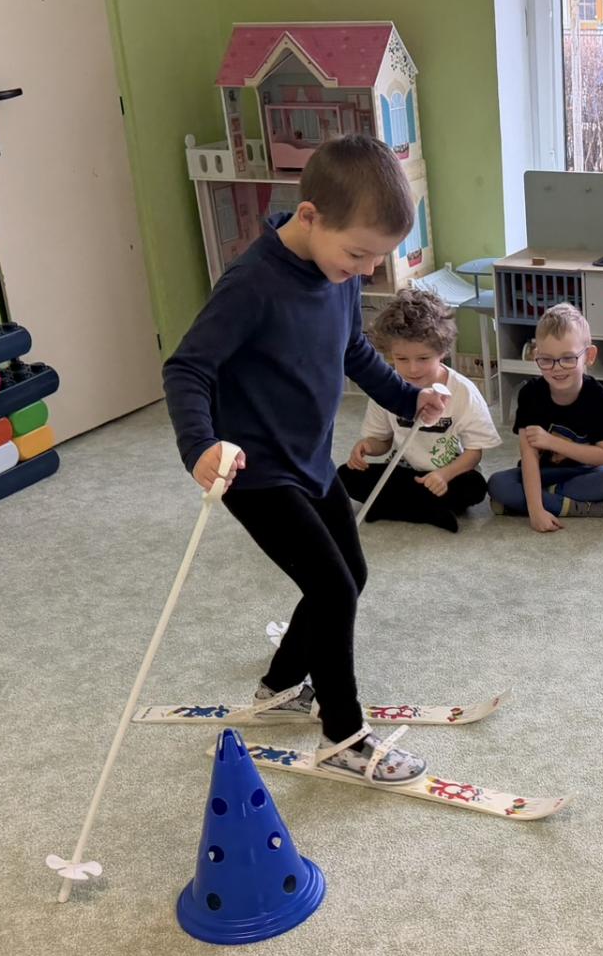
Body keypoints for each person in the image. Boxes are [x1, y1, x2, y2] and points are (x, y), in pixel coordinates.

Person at [162, 134, 448, 784]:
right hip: (257, 473)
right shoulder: (252, 284)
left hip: (309, 459)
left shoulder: (334, 271)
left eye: (376, 258)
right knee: (332, 587)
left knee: (349, 575)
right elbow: (187, 368)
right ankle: (344, 738)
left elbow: (352, 350)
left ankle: (284, 683)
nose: (365, 271)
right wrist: (200, 446)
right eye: (358, 254)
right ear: (311, 216)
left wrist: (407, 399)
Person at [338, 286, 499, 532]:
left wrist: (444, 474)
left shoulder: (463, 392)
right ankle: (427, 511)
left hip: (446, 475)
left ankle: (391, 507)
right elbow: (382, 441)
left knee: (475, 487)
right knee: (346, 475)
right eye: (401, 359)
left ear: (442, 351)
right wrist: (367, 446)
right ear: (390, 354)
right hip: (403, 472)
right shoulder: (387, 388)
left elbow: (474, 453)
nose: (412, 369)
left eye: (423, 358)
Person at [486, 302, 603, 529]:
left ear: (589, 356)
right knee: (497, 484)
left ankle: (526, 503)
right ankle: (579, 507)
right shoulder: (530, 394)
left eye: (568, 358)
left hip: (582, 473)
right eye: (546, 359)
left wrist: (551, 442)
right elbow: (529, 456)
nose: (557, 368)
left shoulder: (598, 396)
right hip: (541, 474)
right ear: (536, 356)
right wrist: (536, 512)